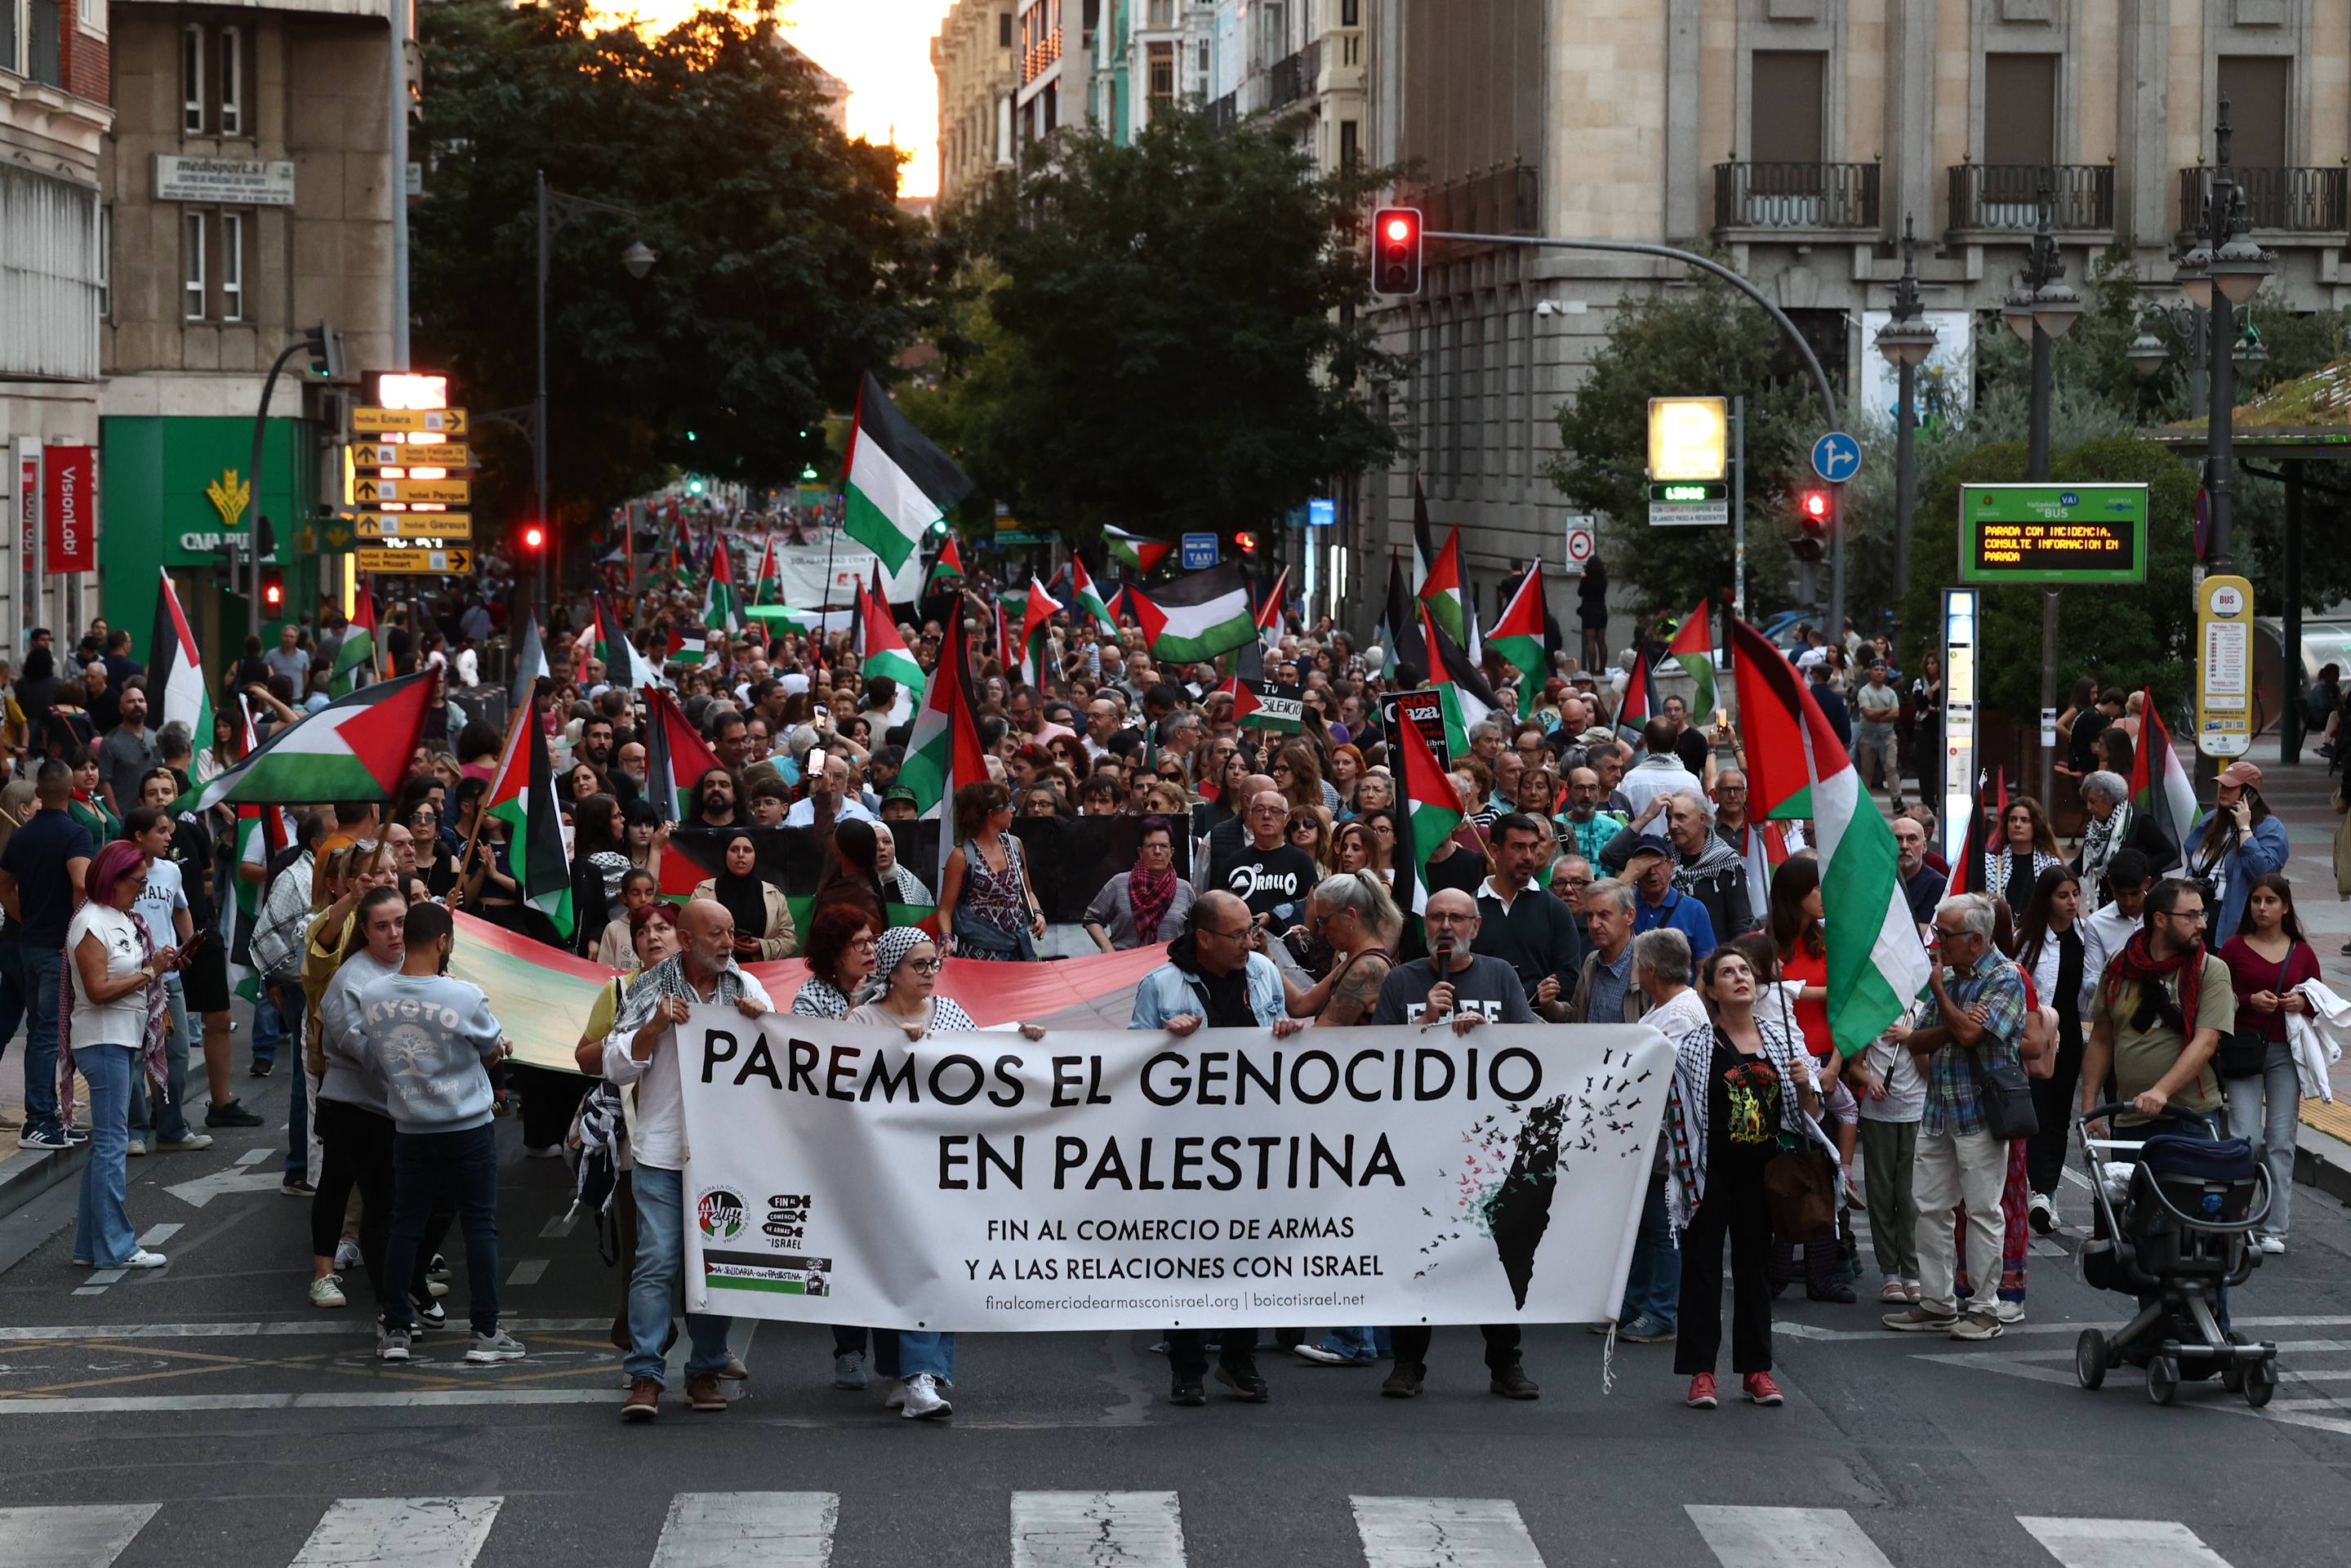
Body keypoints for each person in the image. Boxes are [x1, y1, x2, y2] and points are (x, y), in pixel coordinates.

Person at [844, 926, 1040, 1419]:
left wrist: (1026, 1039)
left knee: (931, 1264)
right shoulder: (862, 1020)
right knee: (895, 1266)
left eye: (935, 963)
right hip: (882, 1166)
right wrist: (895, 1050)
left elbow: (987, 1061)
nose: (931, 973)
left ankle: (921, 1377)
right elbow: (841, 1083)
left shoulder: (950, 1013)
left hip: (942, 1163)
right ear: (892, 970)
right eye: (919, 965)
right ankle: (902, 1372)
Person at [600, 899, 774, 1419]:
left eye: (730, 933)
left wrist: (760, 1023)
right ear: (686, 939)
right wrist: (652, 1028)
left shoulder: (744, 987)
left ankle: (704, 1369)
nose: (727, 944)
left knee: (717, 1267)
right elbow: (613, 1064)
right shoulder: (650, 987)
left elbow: (782, 1057)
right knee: (656, 1262)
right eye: (716, 935)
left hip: (724, 1155)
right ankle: (646, 1375)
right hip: (660, 1149)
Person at [1127, 891, 1301, 1405]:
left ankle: (1238, 1357)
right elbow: (1131, 1063)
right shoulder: (1161, 986)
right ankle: (1187, 1366)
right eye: (1236, 934)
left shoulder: (1264, 973)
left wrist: (1288, 1032)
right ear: (1203, 938)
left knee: (1249, 1251)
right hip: (1188, 1144)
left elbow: (1282, 1036)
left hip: (1255, 1137)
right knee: (1190, 1254)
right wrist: (1162, 1038)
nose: (1249, 941)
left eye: (1250, 931)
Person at [1371, 887, 1542, 1401]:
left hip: (1488, 1144)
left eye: (1457, 917)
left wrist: (1490, 1034)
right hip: (1419, 1144)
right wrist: (1425, 1024)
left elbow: (1532, 1046)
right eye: (1437, 916)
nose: (1446, 926)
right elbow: (1375, 1060)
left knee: (1493, 1254)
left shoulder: (1501, 976)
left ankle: (1505, 1364)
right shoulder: (1402, 981)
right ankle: (1407, 1364)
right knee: (1416, 1255)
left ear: (1476, 925)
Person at [1667, 945, 1823, 1410]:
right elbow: (1678, 1115)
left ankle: (1757, 1372)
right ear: (1712, 990)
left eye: (1746, 971)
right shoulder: (1695, 1046)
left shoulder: (1782, 1040)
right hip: (1708, 1174)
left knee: (1755, 1272)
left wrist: (1802, 1084)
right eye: (1728, 973)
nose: (1740, 978)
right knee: (1702, 1272)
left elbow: (1809, 1116)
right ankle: (1701, 1375)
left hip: (1766, 1174)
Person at [1882, 894, 2028, 1342]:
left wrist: (1944, 998)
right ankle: (1937, 1301)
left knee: (1983, 1209)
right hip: (1940, 1108)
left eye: (1944, 936)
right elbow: (1920, 1042)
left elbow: (1969, 1035)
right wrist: (1956, 1021)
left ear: (1977, 939)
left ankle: (1984, 1308)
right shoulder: (1954, 972)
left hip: (1981, 1112)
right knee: (1929, 1207)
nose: (1936, 944)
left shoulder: (2005, 977)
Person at [64, 841, 176, 1270]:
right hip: (103, 1038)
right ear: (114, 879)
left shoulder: (117, 918)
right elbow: (96, 990)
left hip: (117, 1038)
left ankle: (91, 1246)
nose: (142, 890)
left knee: (104, 1147)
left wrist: (158, 964)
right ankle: (118, 1247)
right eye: (137, 882)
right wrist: (150, 971)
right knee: (111, 1144)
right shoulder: (92, 922)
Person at [309, 886, 411, 1312]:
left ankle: (404, 1274)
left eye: (401, 923)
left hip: (399, 1106)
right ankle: (325, 1275)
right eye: (382, 926)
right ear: (365, 931)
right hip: (353, 1107)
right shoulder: (350, 981)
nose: (394, 934)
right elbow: (366, 1051)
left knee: (399, 1194)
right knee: (352, 1188)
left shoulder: (421, 966)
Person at [1611, 927, 1707, 1343]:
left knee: (1662, 1226)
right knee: (1643, 1225)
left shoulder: (1682, 1014)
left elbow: (1669, 1077)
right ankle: (1633, 1304)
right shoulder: (1663, 1007)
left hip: (1672, 1140)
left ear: (1649, 969)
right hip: (1651, 1137)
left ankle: (1662, 1311)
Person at [2218, 873, 2317, 1255]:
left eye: (2271, 901)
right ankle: (2237, 1217)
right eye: (2257, 900)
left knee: (2280, 1140)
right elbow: (2217, 995)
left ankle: (2274, 1226)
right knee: (2245, 1138)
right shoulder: (2233, 947)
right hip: (2243, 1050)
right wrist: (2247, 1001)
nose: (2262, 907)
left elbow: (2317, 999)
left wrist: (2301, 1003)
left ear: (2285, 907)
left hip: (2285, 1054)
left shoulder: (2302, 952)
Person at [0, 759, 96, 1150]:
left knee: (45, 1032)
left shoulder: (21, 837)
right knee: (47, 1034)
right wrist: (75, 932)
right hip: (58, 947)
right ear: (72, 792)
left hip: (29, 943)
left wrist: (29, 919)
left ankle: (52, 1117)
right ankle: (39, 1121)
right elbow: (80, 882)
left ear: (39, 792)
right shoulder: (76, 835)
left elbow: (5, 888)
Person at [2015, 866, 2087, 1235]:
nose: (2072, 902)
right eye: (2063, 895)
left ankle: (2047, 1191)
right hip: (2036, 1033)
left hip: (2070, 1034)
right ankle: (2035, 1189)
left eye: (2075, 894)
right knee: (2035, 1109)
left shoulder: (2086, 935)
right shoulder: (2027, 939)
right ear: (2047, 900)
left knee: (2059, 1113)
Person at [1472, 813, 1583, 1019]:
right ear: (1494, 851)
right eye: (1519, 847)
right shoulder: (1468, 910)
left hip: (1538, 1032)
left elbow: (1569, 977)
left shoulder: (1555, 910)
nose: (1528, 856)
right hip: (1477, 1028)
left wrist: (1530, 993)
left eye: (1533, 847)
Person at [1604, 790, 1752, 940]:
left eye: (1681, 818)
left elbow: (1740, 923)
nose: (1673, 825)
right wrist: (1648, 816)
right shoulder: (1660, 853)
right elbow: (1609, 855)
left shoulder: (1726, 862)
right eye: (1669, 818)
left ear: (1702, 819)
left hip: (1709, 957)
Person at [2184, 760, 2288, 946]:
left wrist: (2245, 830)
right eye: (2222, 785)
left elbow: (2262, 873)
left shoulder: (2271, 828)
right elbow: (2192, 855)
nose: (2223, 790)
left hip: (2234, 916)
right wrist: (2190, 878)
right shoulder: (2210, 821)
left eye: (2230, 787)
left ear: (2249, 793)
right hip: (2199, 910)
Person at [939, 782, 1044, 961]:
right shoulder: (961, 856)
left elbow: (1028, 892)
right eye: (1008, 805)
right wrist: (947, 939)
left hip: (1017, 950)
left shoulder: (1015, 845)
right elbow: (945, 910)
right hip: (978, 953)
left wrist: (1038, 913)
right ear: (991, 814)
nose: (1013, 810)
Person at [1209, 788, 1320, 935]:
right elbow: (1218, 906)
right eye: (1259, 810)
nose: (1267, 816)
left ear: (1286, 820)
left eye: (1275, 811)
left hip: (1288, 949)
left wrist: (1274, 918)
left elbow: (1312, 908)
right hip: (1241, 945)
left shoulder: (1300, 861)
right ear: (1250, 815)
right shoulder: (1235, 861)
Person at [1083, 817, 1195, 951]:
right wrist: (1107, 947)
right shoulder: (1119, 884)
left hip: (1169, 965)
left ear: (1171, 852)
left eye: (1164, 846)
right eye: (1151, 846)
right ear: (1140, 852)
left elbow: (1195, 931)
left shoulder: (1185, 889)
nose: (1157, 851)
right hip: (1125, 965)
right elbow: (1092, 918)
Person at [691, 831, 799, 960]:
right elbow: (691, 934)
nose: (741, 855)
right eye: (734, 850)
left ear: (755, 856)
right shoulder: (703, 892)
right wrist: (724, 944)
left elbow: (790, 939)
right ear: (725, 855)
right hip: (715, 972)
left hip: (765, 974)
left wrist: (763, 947)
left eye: (747, 850)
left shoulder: (774, 895)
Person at [2073, 771, 2173, 905]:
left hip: (2139, 899)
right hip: (2108, 899)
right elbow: (2083, 861)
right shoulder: (2096, 826)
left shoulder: (2139, 820)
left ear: (2110, 799)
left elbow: (2169, 852)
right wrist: (2058, 876)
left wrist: (2138, 872)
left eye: (2093, 802)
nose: (2089, 807)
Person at [1623, 839, 1717, 961]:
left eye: (1658, 863)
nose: (1652, 871)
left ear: (1671, 866)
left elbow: (1706, 966)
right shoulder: (1624, 905)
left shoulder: (1694, 909)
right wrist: (1627, 876)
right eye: (1644, 865)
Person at [1615, 719, 1700, 834]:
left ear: (1647, 743)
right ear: (1676, 741)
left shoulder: (1631, 779)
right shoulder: (1691, 781)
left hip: (1641, 848)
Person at [1985, 796, 2064, 913]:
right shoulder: (1990, 864)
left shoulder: (2051, 865)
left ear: (2036, 825)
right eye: (2012, 820)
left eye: (2025, 820)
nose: (2017, 824)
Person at [1852, 661, 1904, 807]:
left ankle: (1897, 799)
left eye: (1882, 669)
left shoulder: (1890, 692)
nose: (1880, 672)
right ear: (1870, 672)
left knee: (1891, 767)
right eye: (1876, 669)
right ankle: (1864, 801)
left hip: (1888, 736)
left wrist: (1879, 716)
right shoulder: (1864, 691)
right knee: (1867, 771)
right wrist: (1886, 710)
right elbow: (1868, 713)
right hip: (1868, 736)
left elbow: (1896, 712)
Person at [1893, 813, 1946, 939]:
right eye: (1898, 839)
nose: (1904, 846)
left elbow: (1934, 934)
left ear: (1924, 846)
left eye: (1912, 838)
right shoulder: (1879, 882)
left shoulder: (1938, 885)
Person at [870, 822, 933, 906]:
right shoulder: (858, 883)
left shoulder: (909, 881)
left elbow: (926, 913)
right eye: (874, 843)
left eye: (886, 841)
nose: (882, 847)